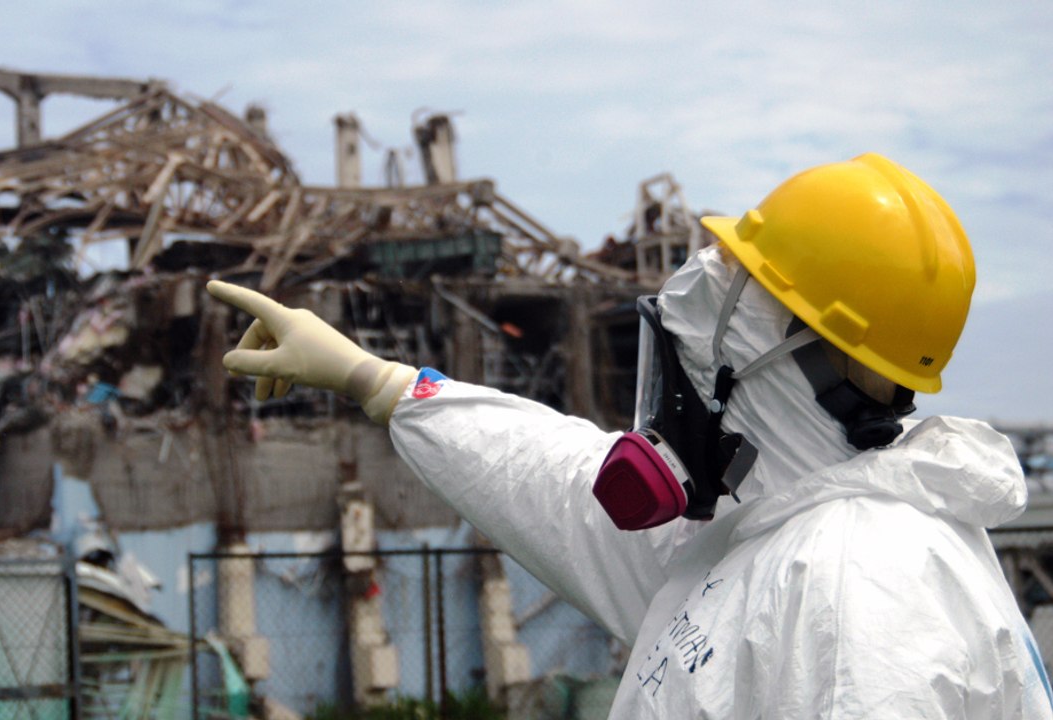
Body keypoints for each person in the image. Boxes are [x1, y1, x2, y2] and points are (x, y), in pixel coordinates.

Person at [206, 153, 1052, 718]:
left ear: (757, 348)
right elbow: (559, 486)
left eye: (687, 349)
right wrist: (380, 381)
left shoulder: (859, 591)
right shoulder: (771, 527)